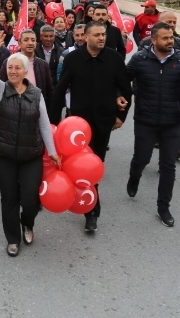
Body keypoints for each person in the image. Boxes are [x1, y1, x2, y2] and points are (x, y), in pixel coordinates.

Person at [0, 31, 60, 256]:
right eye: (10, 68)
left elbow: (44, 125)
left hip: (31, 156)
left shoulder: (36, 94)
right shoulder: (0, 89)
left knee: (29, 199)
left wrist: (53, 152)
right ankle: (12, 238)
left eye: (18, 68)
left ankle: (28, 222)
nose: (13, 71)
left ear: (26, 71)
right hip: (3, 155)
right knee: (9, 198)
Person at [52, 21, 132, 232]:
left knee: (95, 165)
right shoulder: (73, 59)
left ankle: (88, 203)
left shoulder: (114, 59)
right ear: (85, 37)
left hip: (104, 122)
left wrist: (121, 116)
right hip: (78, 127)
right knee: (82, 168)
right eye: (96, 35)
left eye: (103, 35)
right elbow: (61, 90)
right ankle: (92, 211)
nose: (101, 38)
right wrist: (54, 122)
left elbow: (126, 89)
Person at [125, 23, 180, 227]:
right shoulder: (140, 59)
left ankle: (163, 207)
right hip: (145, 120)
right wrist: (120, 97)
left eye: (171, 37)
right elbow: (123, 80)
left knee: (168, 165)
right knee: (142, 158)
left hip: (171, 121)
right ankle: (134, 175)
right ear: (153, 40)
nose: (169, 41)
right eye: (164, 38)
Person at [0, 29, 56, 123]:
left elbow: (49, 92)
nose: (30, 43)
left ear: (36, 43)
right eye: (26, 40)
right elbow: (0, 88)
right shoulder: (9, 62)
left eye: (33, 40)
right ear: (19, 43)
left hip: (36, 114)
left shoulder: (43, 65)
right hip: (12, 114)